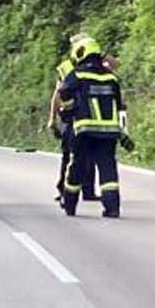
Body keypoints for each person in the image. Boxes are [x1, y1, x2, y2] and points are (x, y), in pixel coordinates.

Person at [59, 37, 127, 219]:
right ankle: (112, 207)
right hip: (109, 132)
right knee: (107, 168)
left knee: (78, 166)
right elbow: (120, 106)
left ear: (80, 53)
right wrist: (123, 132)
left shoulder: (78, 74)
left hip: (85, 130)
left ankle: (70, 203)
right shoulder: (112, 77)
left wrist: (68, 109)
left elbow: (64, 91)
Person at [47, 33, 98, 203]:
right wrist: (53, 118)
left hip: (87, 116)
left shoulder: (95, 64)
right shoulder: (66, 67)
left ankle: (87, 190)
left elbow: (115, 65)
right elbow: (57, 94)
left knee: (88, 154)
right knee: (69, 154)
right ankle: (64, 188)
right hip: (71, 116)